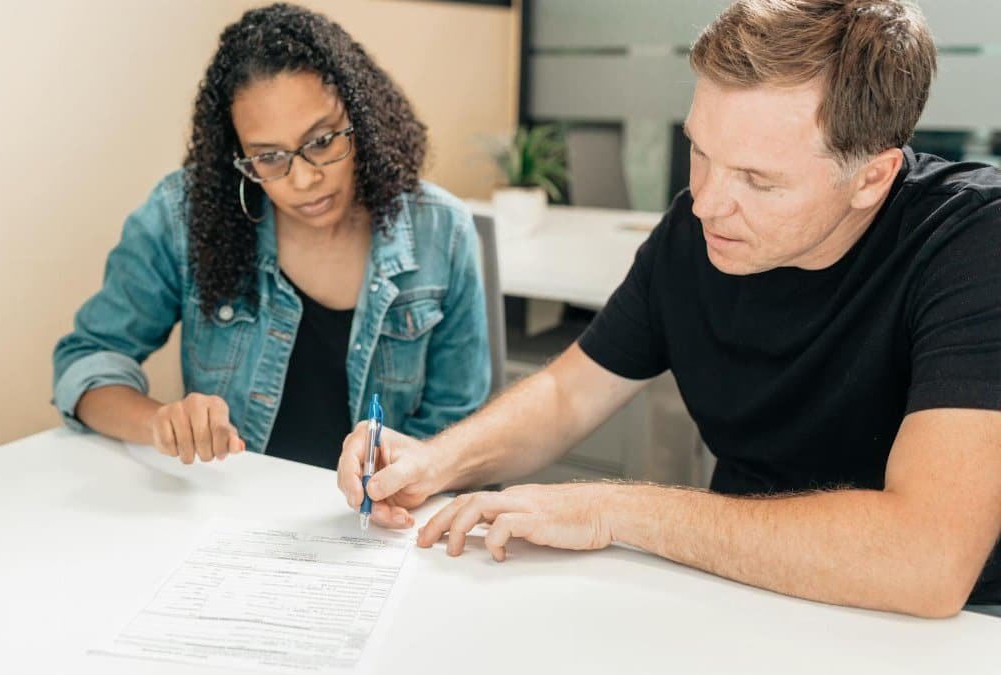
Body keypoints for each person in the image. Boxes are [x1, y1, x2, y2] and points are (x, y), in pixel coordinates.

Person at [337, 0, 1001, 618]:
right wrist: (432, 460)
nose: (707, 201)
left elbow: (928, 559)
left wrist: (614, 510)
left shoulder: (972, 241)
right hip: (741, 588)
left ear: (872, 178)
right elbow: (571, 392)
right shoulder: (696, 229)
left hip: (943, 631)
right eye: (700, 152)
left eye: (758, 180)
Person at [52, 3, 489, 492]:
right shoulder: (183, 215)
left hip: (378, 526)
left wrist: (404, 480)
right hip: (231, 517)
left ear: (361, 119)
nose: (304, 179)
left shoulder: (440, 231)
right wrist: (160, 422)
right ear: (238, 156)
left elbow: (460, 430)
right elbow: (87, 360)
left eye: (322, 141)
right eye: (270, 157)